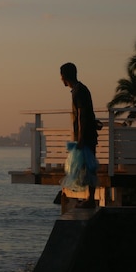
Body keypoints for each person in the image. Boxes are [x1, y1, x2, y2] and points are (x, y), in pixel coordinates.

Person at [60, 62, 98, 209]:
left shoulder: (78, 91)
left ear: (63, 76)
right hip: (87, 134)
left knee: (88, 167)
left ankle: (90, 200)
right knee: (85, 166)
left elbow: (82, 115)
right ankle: (89, 198)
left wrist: (81, 137)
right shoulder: (79, 89)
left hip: (86, 136)